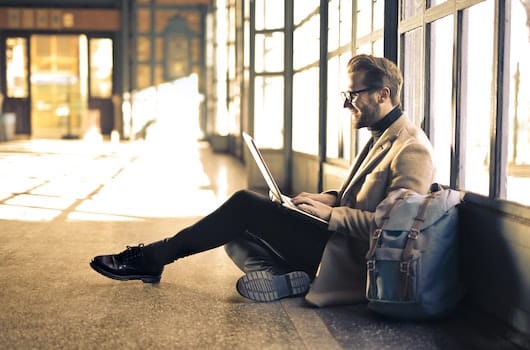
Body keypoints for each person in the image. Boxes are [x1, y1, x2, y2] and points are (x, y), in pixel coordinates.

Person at [90, 54, 434, 306]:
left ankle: (153, 258)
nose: (347, 104)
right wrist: (326, 198)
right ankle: (282, 278)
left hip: (347, 258)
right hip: (332, 241)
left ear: (383, 94)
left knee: (244, 204)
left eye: (353, 95)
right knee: (230, 234)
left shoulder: (411, 148)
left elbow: (395, 231)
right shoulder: (382, 135)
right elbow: (362, 195)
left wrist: (329, 215)